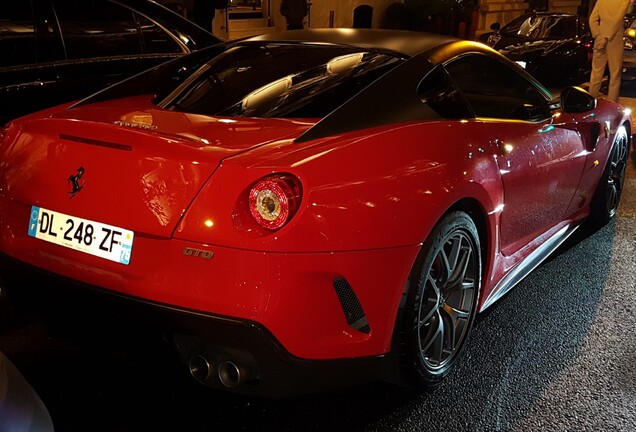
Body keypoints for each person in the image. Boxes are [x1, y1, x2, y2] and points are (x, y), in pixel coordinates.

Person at [588, 0, 632, 102]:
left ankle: (590, 101)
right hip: (614, 39)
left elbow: (592, 19)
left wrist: (598, 35)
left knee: (596, 74)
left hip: (600, 38)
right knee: (615, 75)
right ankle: (612, 103)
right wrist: (607, 37)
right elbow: (617, 20)